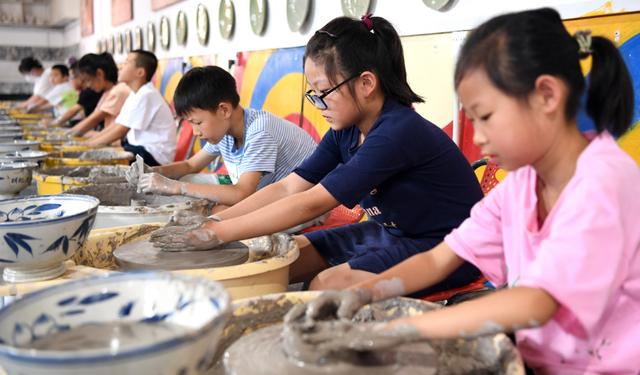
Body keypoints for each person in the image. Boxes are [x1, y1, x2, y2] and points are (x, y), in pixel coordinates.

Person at [284, 8, 640, 374]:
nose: (479, 139)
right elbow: (440, 258)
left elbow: (536, 303)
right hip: (541, 358)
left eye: (485, 117)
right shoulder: (521, 187)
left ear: (546, 96)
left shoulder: (603, 182)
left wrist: (395, 330)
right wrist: (369, 292)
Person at [149, 15, 483, 293]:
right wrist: (217, 221)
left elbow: (310, 203)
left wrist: (216, 234)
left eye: (324, 92)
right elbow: (288, 187)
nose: (319, 104)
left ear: (367, 83)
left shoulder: (397, 132)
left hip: (448, 248)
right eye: (314, 94)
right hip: (391, 233)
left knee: (326, 285)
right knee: (272, 262)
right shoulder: (347, 131)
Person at [133, 65, 317, 209]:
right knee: (189, 182)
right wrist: (153, 173)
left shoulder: (260, 131)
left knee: (216, 211)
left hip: (301, 203)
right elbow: (191, 165)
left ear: (224, 110)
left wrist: (174, 187)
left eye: (197, 123)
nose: (195, 132)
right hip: (265, 194)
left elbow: (242, 194)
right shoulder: (226, 130)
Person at [84, 50, 176, 166]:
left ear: (140, 72)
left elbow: (120, 131)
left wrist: (87, 148)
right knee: (98, 151)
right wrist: (90, 144)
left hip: (153, 156)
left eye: (127, 63)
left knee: (97, 159)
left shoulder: (147, 94)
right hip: (138, 148)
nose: (121, 67)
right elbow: (117, 124)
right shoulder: (135, 93)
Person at [67, 53, 130, 136]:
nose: (88, 85)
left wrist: (67, 135)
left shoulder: (119, 91)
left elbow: (94, 119)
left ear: (99, 74)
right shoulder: (107, 92)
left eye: (88, 80)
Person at [44, 61, 102, 128]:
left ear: (81, 77)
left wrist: (54, 123)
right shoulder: (83, 91)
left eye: (71, 77)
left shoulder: (89, 91)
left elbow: (73, 111)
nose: (69, 81)